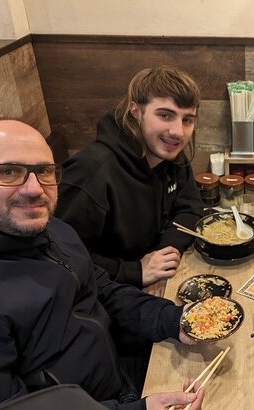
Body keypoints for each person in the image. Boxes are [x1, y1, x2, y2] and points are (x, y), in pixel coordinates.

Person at [0, 119, 205, 410]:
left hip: (117, 382)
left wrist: (171, 319)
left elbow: (102, 290)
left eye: (44, 171)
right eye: (8, 172)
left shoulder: (51, 228)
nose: (34, 189)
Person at [55, 65, 205, 289]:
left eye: (187, 120)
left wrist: (166, 253)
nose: (178, 132)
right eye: (165, 115)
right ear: (135, 111)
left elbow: (189, 208)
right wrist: (133, 271)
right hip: (106, 291)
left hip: (151, 273)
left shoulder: (171, 156)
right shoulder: (91, 172)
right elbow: (60, 256)